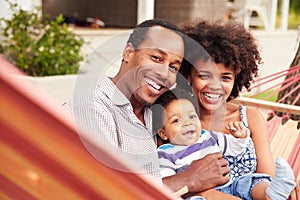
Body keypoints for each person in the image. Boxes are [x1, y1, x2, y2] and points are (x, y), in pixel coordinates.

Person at [64, 19, 235, 199]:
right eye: (156, 58)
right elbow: (104, 190)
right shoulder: (92, 109)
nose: (163, 73)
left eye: (173, 67)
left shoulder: (157, 111)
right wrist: (189, 179)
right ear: (128, 53)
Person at [178, 18, 299, 199]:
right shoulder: (176, 118)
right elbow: (172, 176)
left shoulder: (250, 117)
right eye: (205, 75)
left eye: (225, 78)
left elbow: (267, 178)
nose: (215, 86)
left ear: (236, 79)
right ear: (189, 74)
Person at [153, 87, 295, 199]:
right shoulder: (165, 153)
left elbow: (234, 148)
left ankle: (272, 194)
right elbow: (169, 184)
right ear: (163, 133)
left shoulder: (207, 137)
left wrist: (240, 137)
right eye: (176, 120)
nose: (187, 123)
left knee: (250, 181)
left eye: (191, 116)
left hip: (231, 184)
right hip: (200, 194)